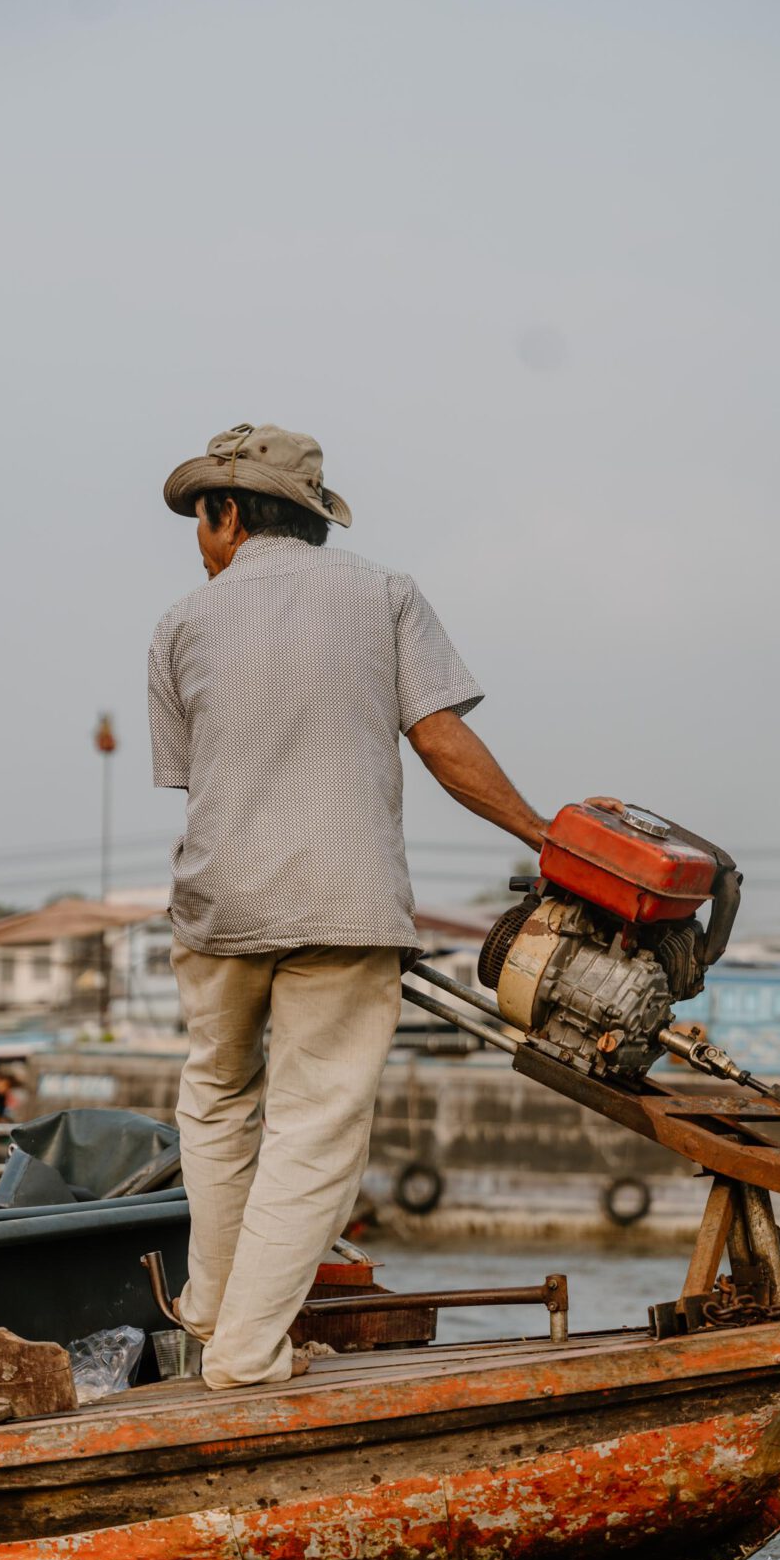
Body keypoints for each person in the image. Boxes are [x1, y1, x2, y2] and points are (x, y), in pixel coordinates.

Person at [150, 423, 556, 1390]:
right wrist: (542, 837)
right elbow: (441, 740)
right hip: (345, 898)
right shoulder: (385, 594)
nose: (198, 540)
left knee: (214, 1099)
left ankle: (213, 1309)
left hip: (218, 903)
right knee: (314, 1123)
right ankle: (245, 1353)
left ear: (232, 514)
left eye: (201, 519)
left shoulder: (179, 623)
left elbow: (189, 777)